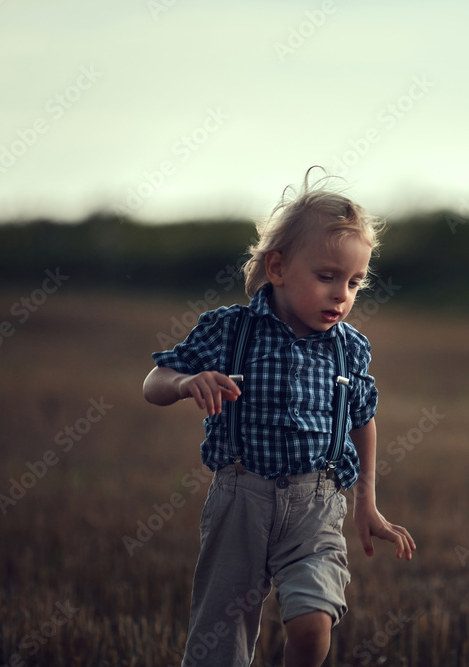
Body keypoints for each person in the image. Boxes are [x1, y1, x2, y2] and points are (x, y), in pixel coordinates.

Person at [143, 169, 415, 667]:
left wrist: (366, 503)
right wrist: (186, 382)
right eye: (327, 276)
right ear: (278, 268)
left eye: (354, 282)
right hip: (240, 499)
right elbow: (154, 382)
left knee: (313, 625)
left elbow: (363, 420)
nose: (342, 294)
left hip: (316, 506)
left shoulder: (350, 349)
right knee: (218, 640)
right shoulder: (231, 329)